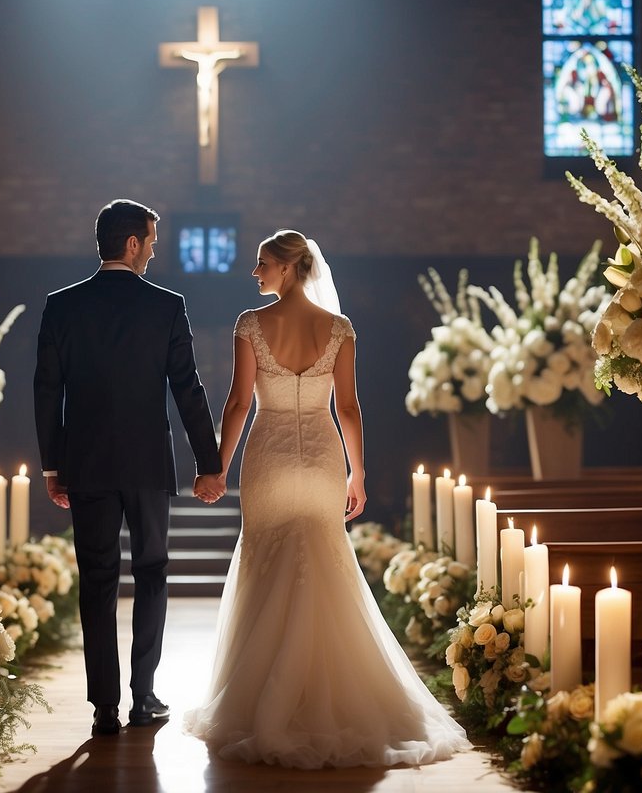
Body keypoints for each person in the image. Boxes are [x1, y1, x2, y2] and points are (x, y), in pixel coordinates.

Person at [183, 230, 469, 768]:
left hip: (267, 457)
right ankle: (331, 696)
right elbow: (350, 409)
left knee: (264, 565)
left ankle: (261, 700)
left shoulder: (250, 324)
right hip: (321, 459)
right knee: (323, 565)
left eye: (263, 263)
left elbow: (239, 402)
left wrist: (217, 467)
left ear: (288, 269)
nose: (256, 272)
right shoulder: (339, 329)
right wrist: (357, 474)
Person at [34, 199, 226, 737]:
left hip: (86, 463)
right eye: (152, 243)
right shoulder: (166, 306)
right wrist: (207, 465)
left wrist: (53, 465)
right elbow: (188, 389)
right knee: (151, 573)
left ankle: (103, 709)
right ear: (134, 244)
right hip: (145, 463)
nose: (154, 253)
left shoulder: (62, 306)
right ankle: (144, 698)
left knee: (96, 582)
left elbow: (47, 391)